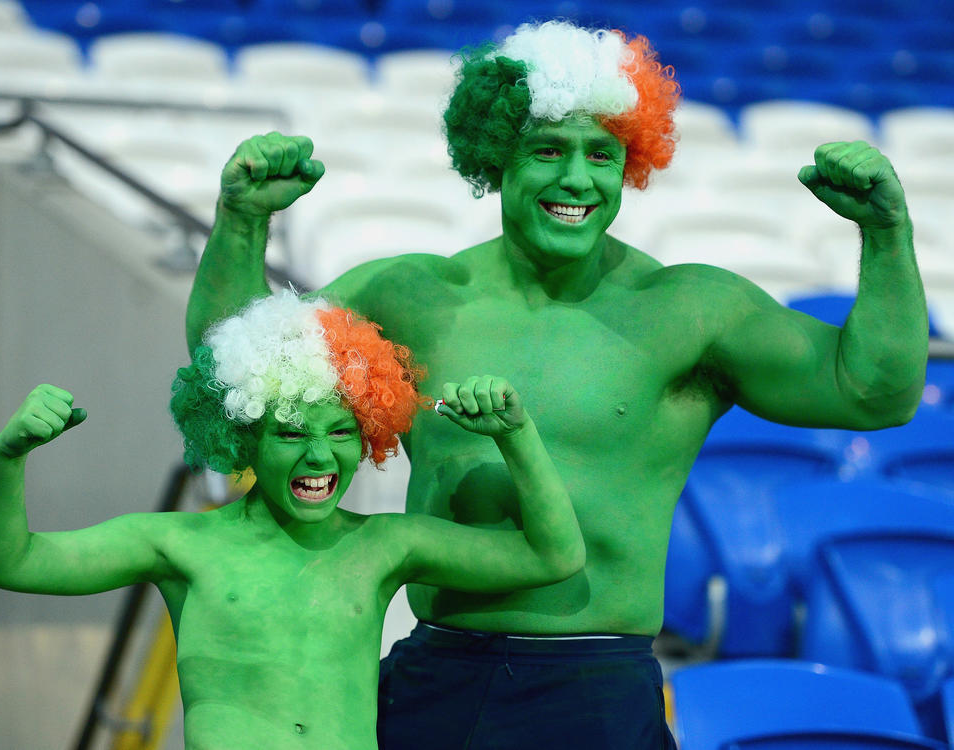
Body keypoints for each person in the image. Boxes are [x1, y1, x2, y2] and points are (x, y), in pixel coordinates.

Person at [185, 20, 929, 750]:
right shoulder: (411, 295)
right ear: (497, 157)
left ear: (629, 164)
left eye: (601, 155)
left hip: (598, 687)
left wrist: (888, 234)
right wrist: (243, 225)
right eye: (548, 149)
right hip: (437, 677)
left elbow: (874, 394)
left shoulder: (691, 308)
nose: (577, 179)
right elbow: (239, 371)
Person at [0, 290, 584, 750]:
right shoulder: (179, 543)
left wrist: (517, 436)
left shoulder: (387, 543)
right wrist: (7, 457)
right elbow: (9, 561)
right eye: (291, 433)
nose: (320, 456)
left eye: (342, 431)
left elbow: (552, 557)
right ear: (242, 439)